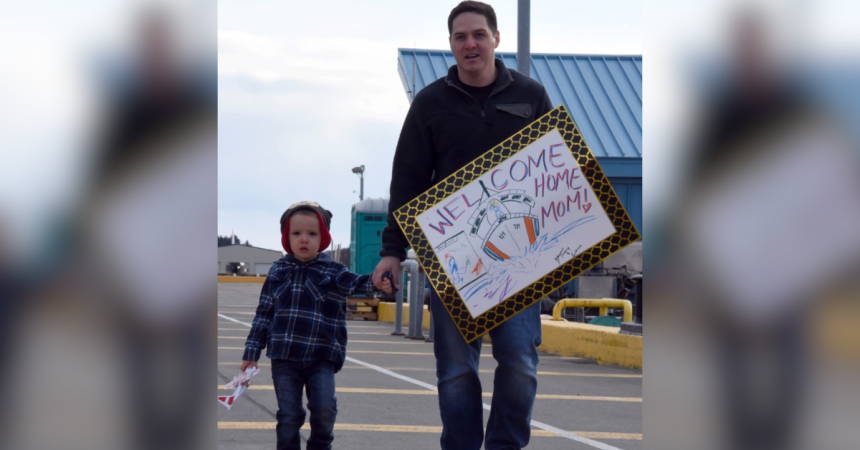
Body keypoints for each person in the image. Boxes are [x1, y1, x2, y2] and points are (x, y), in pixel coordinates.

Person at [372, 2, 553, 449]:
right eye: (460, 37)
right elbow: (408, 180)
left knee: (520, 363)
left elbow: (555, 172)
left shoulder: (530, 96)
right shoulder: (429, 104)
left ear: (496, 38)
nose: (470, 44)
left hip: (522, 259)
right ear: (451, 44)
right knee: (455, 370)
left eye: (478, 34)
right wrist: (392, 251)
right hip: (452, 260)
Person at [241, 201, 392, 450]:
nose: (304, 239)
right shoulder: (277, 271)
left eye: (312, 234)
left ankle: (320, 446)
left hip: (321, 356)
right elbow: (263, 314)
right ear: (286, 238)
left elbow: (358, 283)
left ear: (323, 239)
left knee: (324, 409)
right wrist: (251, 353)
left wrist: (380, 282)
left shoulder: (334, 271)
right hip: (284, 357)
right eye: (296, 233)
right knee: (289, 415)